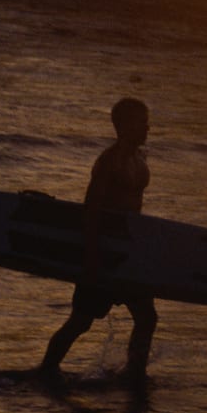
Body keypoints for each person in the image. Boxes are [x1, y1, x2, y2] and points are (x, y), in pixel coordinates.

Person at [39, 97, 157, 383]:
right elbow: (91, 210)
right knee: (81, 321)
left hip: (127, 253)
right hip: (104, 253)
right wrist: (90, 257)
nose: (148, 128)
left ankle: (135, 374)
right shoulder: (108, 162)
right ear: (124, 125)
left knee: (147, 317)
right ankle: (45, 371)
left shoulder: (138, 159)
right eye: (142, 122)